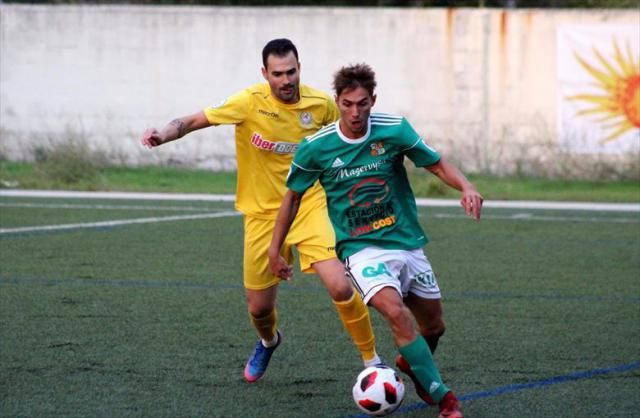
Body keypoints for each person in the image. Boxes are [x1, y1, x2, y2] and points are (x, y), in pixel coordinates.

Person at [141, 40, 380, 383]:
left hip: (309, 205)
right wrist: (161, 135)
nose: (286, 80)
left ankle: (372, 361)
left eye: (292, 72)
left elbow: (345, 139)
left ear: (300, 67)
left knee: (340, 286)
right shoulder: (248, 102)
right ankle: (269, 340)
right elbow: (194, 120)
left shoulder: (322, 106)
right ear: (265, 73)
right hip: (261, 215)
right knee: (259, 308)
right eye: (278, 74)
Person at [269, 63, 483, 418]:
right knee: (397, 315)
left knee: (434, 326)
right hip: (360, 250)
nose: (355, 112)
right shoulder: (315, 148)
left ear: (373, 100)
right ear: (337, 101)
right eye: (348, 104)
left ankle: (410, 363)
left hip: (405, 242)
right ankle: (446, 401)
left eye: (363, 103)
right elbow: (291, 198)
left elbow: (435, 164)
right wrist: (276, 250)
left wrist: (467, 187)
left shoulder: (394, 129)